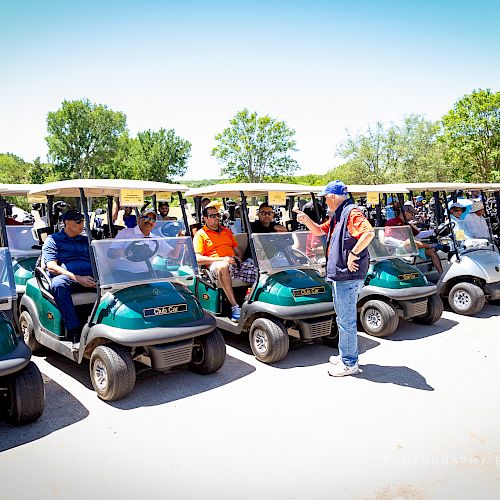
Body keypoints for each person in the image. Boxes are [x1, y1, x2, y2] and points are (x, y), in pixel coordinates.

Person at [293, 180, 374, 377]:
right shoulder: (339, 215)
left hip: (347, 275)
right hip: (340, 275)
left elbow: (368, 233)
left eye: (326, 198)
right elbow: (320, 231)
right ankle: (345, 354)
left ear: (332, 197)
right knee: (343, 319)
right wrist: (306, 220)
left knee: (346, 321)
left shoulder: (351, 212)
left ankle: (349, 363)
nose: (325, 202)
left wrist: (353, 254)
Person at [193, 204, 257, 321]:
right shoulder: (200, 234)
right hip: (214, 266)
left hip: (232, 263)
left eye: (217, 215)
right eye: (212, 216)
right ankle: (234, 307)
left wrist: (238, 258)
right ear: (205, 219)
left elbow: (237, 251)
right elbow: (198, 258)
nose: (216, 218)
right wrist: (222, 259)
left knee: (258, 268)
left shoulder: (227, 231)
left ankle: (254, 303)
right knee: (223, 266)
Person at [42, 210, 96, 344]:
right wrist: (77, 278)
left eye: (83, 221)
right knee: (58, 285)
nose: (82, 224)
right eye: (78, 221)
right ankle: (74, 329)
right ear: (66, 222)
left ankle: (105, 323)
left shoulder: (86, 240)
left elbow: (100, 256)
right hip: (68, 276)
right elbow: (51, 266)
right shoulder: (53, 239)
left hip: (90, 274)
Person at [109, 208, 181, 278]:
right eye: (146, 218)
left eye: (153, 220)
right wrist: (118, 252)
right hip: (125, 273)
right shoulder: (125, 233)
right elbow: (110, 253)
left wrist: (179, 243)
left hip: (145, 274)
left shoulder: (156, 239)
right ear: (139, 220)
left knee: (169, 277)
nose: (149, 222)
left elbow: (173, 255)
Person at [386, 205, 443, 274]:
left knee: (432, 251)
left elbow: (419, 234)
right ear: (406, 212)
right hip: (398, 249)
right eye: (412, 214)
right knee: (409, 242)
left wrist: (434, 231)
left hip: (410, 248)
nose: (413, 216)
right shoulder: (392, 222)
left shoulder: (407, 224)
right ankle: (433, 245)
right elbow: (387, 238)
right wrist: (402, 243)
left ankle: (441, 274)